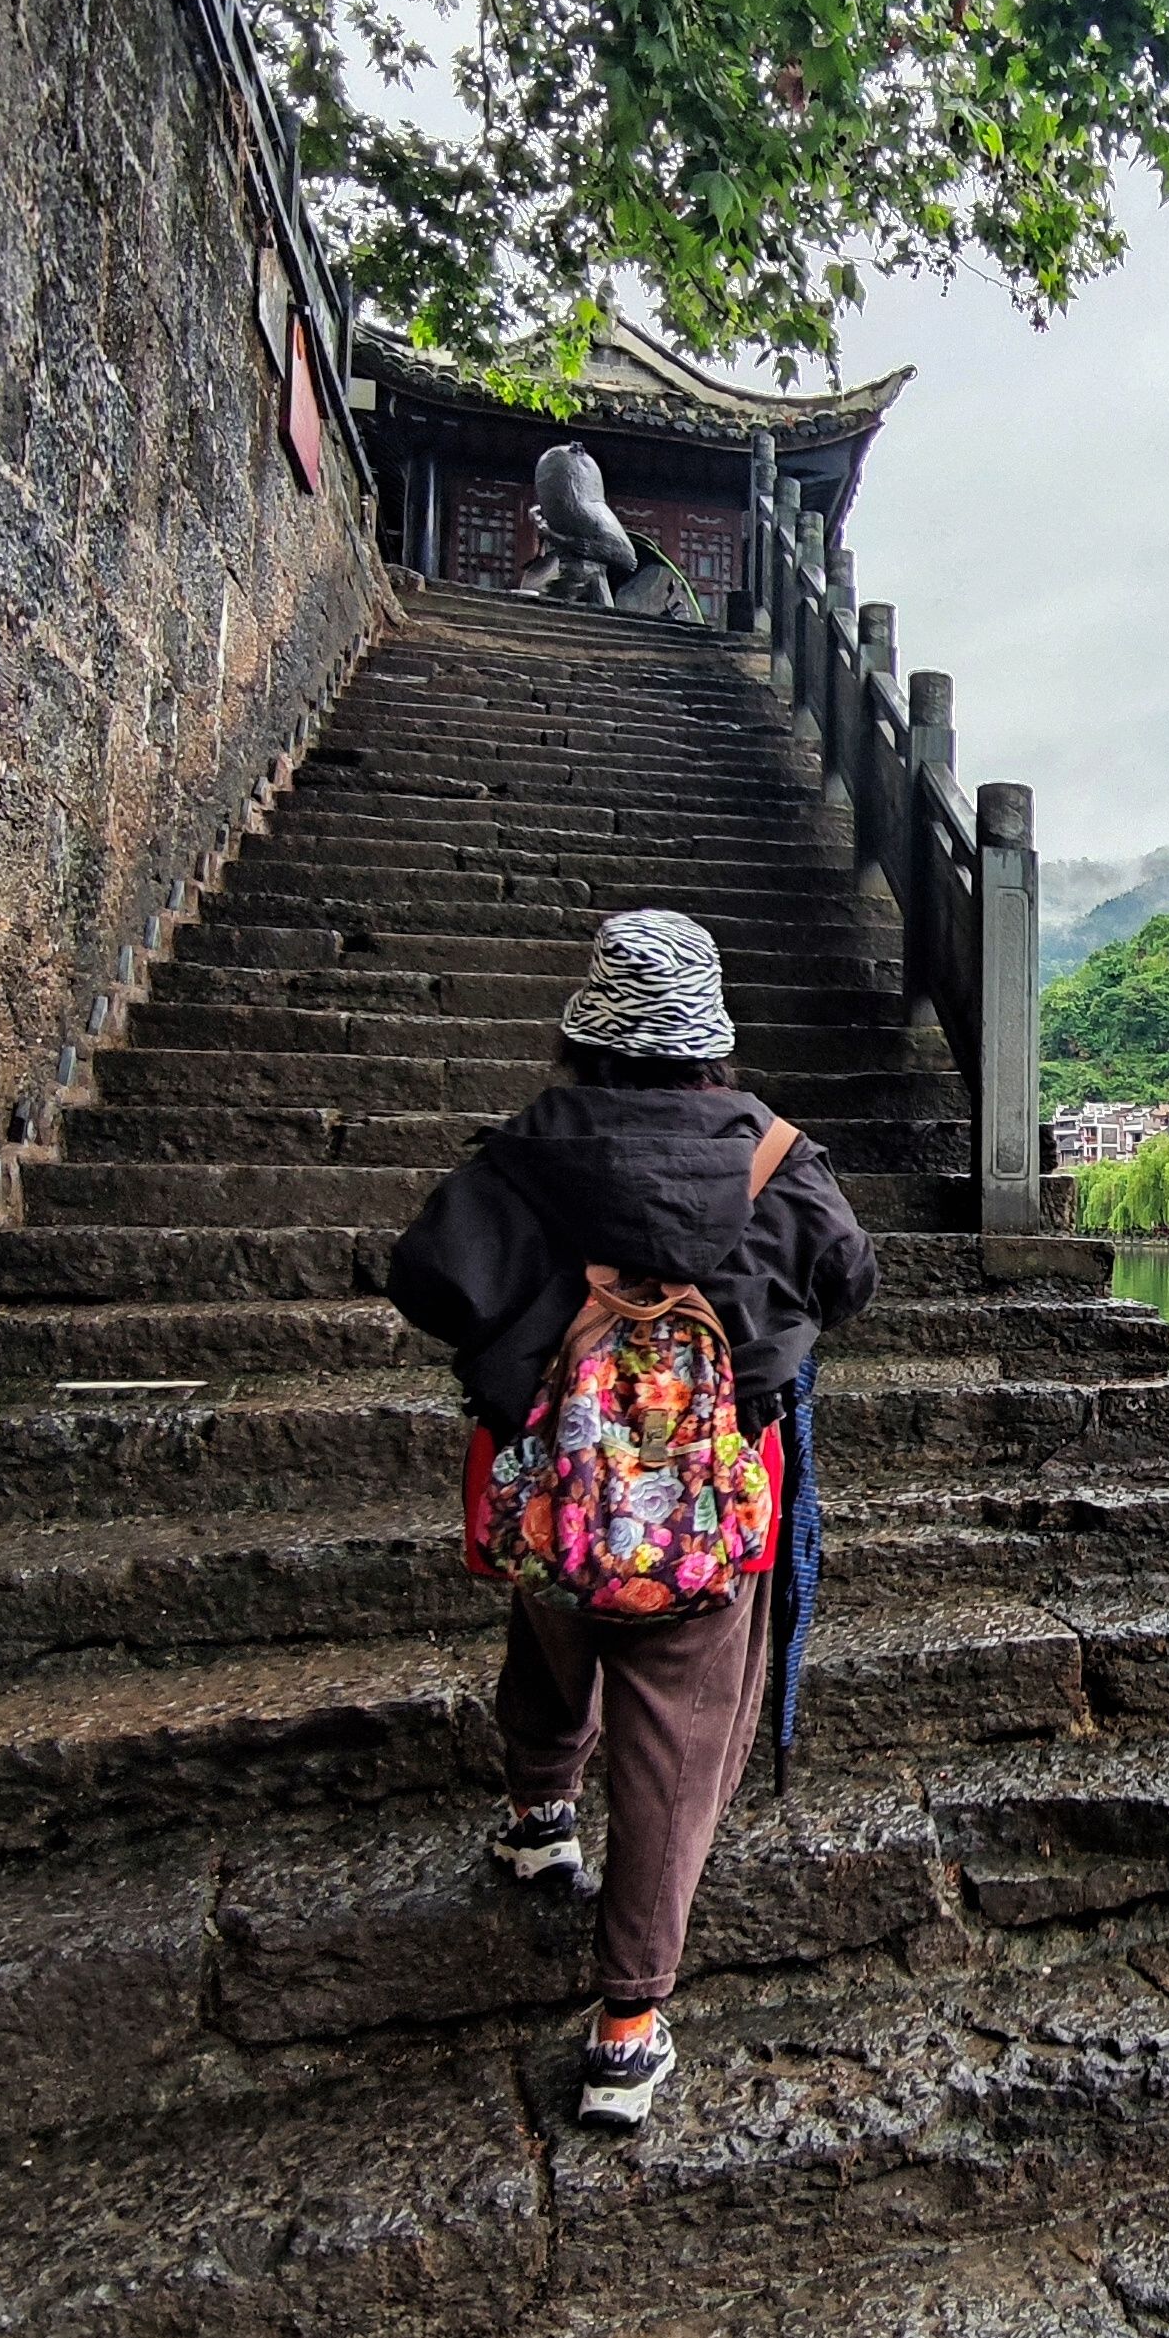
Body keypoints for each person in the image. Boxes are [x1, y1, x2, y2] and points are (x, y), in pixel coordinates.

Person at [382, 907, 876, 2128]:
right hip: (711, 1511)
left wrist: (541, 1352)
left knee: (549, 1639)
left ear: (586, 1031)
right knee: (675, 1737)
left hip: (554, 1491)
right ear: (709, 1035)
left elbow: (428, 1279)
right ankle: (625, 2024)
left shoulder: (521, 1153)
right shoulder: (774, 1157)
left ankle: (541, 1817)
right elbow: (847, 1278)